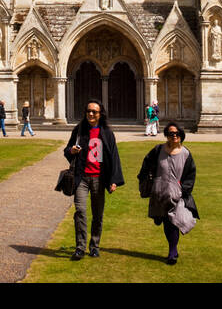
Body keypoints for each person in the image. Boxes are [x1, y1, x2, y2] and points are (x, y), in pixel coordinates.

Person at [63, 99, 124, 260]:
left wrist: (113, 180)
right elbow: (67, 150)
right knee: (80, 211)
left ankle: (95, 246)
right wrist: (72, 151)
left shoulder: (107, 133)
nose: (91, 114)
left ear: (100, 114)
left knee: (97, 214)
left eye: (94, 112)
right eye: (88, 111)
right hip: (82, 177)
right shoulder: (79, 130)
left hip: (99, 178)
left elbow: (114, 157)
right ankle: (80, 247)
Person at [137, 121, 199, 266]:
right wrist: (145, 179)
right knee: (166, 222)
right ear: (166, 135)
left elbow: (191, 175)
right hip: (160, 192)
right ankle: (173, 248)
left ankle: (172, 251)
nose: (174, 136)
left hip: (176, 194)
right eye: (171, 134)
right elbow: (146, 165)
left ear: (181, 135)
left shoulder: (186, 154)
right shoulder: (158, 150)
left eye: (177, 134)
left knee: (173, 222)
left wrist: (183, 190)